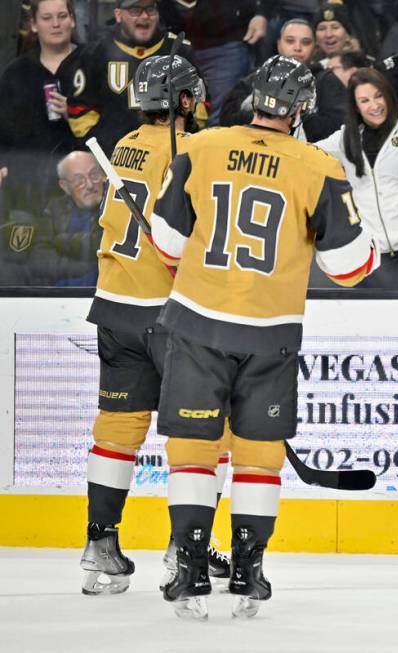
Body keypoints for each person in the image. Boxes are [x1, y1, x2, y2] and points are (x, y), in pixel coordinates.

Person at [150, 55, 378, 620]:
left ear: (255, 100)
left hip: (198, 323)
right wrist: (369, 248)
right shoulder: (317, 165)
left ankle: (192, 565)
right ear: (300, 108)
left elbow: (167, 247)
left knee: (195, 452)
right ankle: (248, 570)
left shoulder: (199, 149)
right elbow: (349, 268)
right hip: (271, 334)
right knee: (257, 454)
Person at [79, 54, 210, 595]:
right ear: (183, 100)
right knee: (201, 435)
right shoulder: (190, 151)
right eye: (194, 95)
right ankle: (186, 551)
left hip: (114, 304)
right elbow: (189, 237)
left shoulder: (126, 143)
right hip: (166, 310)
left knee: (117, 429)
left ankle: (99, 549)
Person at [316, 67, 398, 288]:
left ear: (387, 95)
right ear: (356, 106)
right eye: (365, 100)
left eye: (378, 96)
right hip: (372, 256)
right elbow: (306, 154)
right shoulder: (345, 138)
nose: (374, 105)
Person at [64, 0, 198, 155]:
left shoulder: (180, 51)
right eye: (135, 10)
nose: (144, 16)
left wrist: (179, 142)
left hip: (168, 157)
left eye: (150, 9)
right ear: (118, 15)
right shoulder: (94, 54)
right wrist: (101, 151)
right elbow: (79, 110)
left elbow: (199, 105)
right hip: (111, 160)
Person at [0, 0, 82, 217]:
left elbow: (110, 127)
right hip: (27, 188)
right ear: (34, 24)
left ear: (72, 20)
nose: (56, 24)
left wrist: (74, 113)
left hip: (82, 189)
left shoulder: (93, 64)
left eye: (62, 16)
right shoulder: (15, 73)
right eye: (47, 18)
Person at [157, 0, 271, 122]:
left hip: (223, 40)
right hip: (170, 37)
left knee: (219, 113)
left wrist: (262, 12)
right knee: (164, 106)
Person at [42, 150, 105, 285]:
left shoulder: (115, 207)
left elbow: (102, 244)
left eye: (94, 175)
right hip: (56, 298)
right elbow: (41, 260)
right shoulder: (54, 209)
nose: (89, 185)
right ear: (65, 186)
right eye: (79, 180)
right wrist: (86, 266)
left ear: (103, 175)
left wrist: (59, 241)